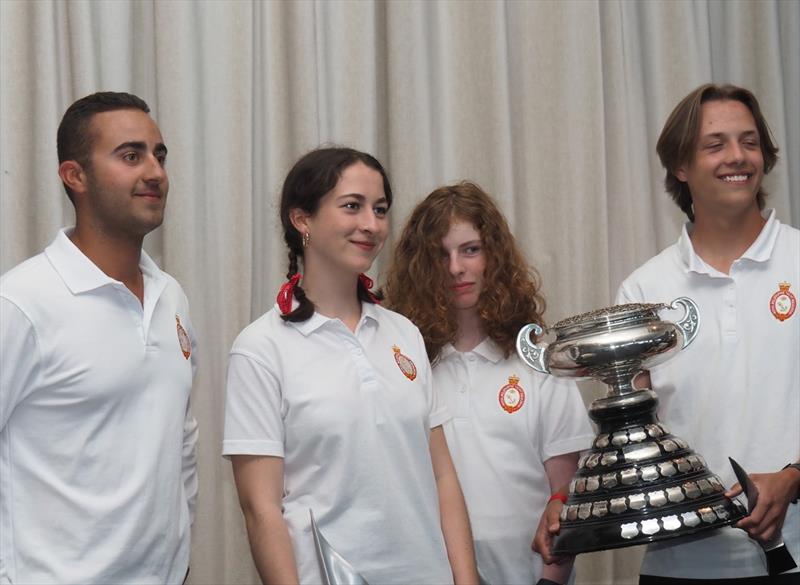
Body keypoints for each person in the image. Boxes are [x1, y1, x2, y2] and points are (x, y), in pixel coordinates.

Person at [558, 83, 798, 584]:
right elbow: (631, 434)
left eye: (749, 142)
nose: (737, 157)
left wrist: (793, 478)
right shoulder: (645, 289)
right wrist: (575, 502)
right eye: (716, 144)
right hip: (680, 567)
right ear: (681, 168)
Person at [223, 147, 478, 584]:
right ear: (302, 220)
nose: (371, 225)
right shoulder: (260, 349)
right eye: (351, 206)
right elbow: (260, 509)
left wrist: (466, 579)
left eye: (379, 209)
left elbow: (442, 475)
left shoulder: (403, 334)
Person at [0, 92, 198, 584]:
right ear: (76, 176)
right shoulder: (21, 303)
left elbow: (182, 447)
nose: (155, 172)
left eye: (159, 154)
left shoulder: (171, 297)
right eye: (131, 156)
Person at [384, 182, 594, 585]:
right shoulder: (407, 365)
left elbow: (566, 494)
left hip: (529, 576)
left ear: (494, 256)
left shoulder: (539, 360)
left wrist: (549, 582)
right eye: (439, 255)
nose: (455, 268)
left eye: (470, 250)